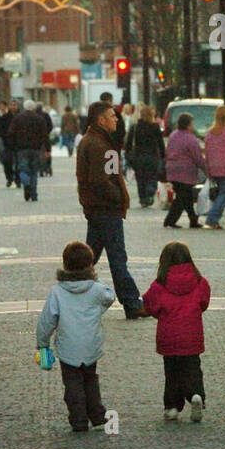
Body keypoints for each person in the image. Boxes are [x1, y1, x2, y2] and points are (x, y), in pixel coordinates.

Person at [36, 241, 115, 432]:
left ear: (65, 265)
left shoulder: (57, 292)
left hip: (68, 347)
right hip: (91, 346)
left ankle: (78, 419)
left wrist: (42, 343)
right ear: (90, 265)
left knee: (72, 384)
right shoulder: (96, 289)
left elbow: (47, 320)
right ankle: (97, 415)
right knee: (90, 379)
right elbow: (109, 296)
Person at [77, 100, 145, 319]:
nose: (117, 119)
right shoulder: (100, 145)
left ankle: (72, 293)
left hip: (99, 208)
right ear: (101, 120)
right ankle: (132, 303)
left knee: (89, 258)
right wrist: (118, 198)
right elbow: (103, 180)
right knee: (117, 258)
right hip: (106, 209)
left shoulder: (98, 141)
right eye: (112, 116)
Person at [143, 241, 211, 422]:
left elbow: (150, 306)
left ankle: (172, 406)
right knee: (193, 368)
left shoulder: (159, 284)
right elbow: (204, 303)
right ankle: (196, 395)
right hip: (192, 335)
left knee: (172, 372)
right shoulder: (200, 282)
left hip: (169, 336)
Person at [163, 113, 205, 229]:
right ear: (188, 125)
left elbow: (167, 151)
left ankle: (193, 219)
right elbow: (197, 157)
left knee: (186, 197)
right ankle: (170, 220)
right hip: (185, 171)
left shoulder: (173, 135)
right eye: (192, 123)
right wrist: (206, 168)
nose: (193, 126)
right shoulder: (191, 139)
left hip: (172, 169)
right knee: (182, 198)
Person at [8, 99, 50, 202]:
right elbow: (45, 135)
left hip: (22, 149)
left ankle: (26, 184)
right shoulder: (39, 119)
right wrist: (47, 149)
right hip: (36, 149)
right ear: (34, 108)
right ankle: (34, 194)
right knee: (34, 172)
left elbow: (11, 133)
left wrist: (13, 146)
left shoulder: (18, 119)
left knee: (22, 170)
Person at [126, 104, 166, 209]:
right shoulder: (155, 127)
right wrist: (163, 155)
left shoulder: (135, 127)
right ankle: (150, 192)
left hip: (138, 157)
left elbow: (128, 143)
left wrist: (128, 156)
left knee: (140, 178)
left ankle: (143, 198)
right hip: (152, 156)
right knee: (152, 176)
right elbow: (160, 143)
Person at [0, 99, 21, 189]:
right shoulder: (4, 118)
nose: (13, 107)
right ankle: (9, 178)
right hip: (7, 144)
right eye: (12, 105)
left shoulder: (21, 116)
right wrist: (6, 138)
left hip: (19, 144)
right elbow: (1, 130)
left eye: (15, 105)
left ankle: (18, 179)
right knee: (7, 162)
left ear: (18, 106)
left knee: (19, 163)